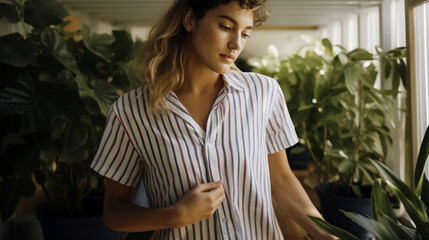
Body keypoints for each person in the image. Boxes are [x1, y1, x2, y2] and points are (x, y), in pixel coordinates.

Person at [90, 0, 337, 239]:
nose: (236, 44)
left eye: (245, 33)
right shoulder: (130, 112)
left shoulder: (263, 93)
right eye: (226, 27)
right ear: (189, 20)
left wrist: (325, 234)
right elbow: (114, 212)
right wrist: (173, 215)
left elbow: (282, 180)